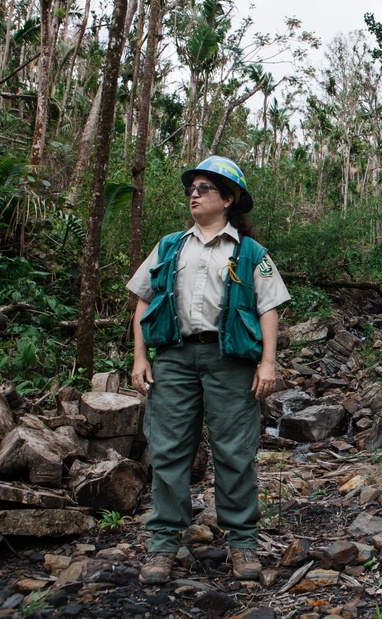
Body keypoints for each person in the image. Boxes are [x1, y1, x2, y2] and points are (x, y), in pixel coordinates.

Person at [126, 155, 290, 584]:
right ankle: (163, 545)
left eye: (204, 188)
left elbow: (268, 305)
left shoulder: (250, 252)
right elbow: (144, 300)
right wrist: (140, 358)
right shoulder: (169, 246)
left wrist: (267, 363)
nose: (193, 194)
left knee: (235, 452)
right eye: (191, 188)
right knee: (167, 451)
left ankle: (242, 543)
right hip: (175, 359)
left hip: (229, 360)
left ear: (228, 198)